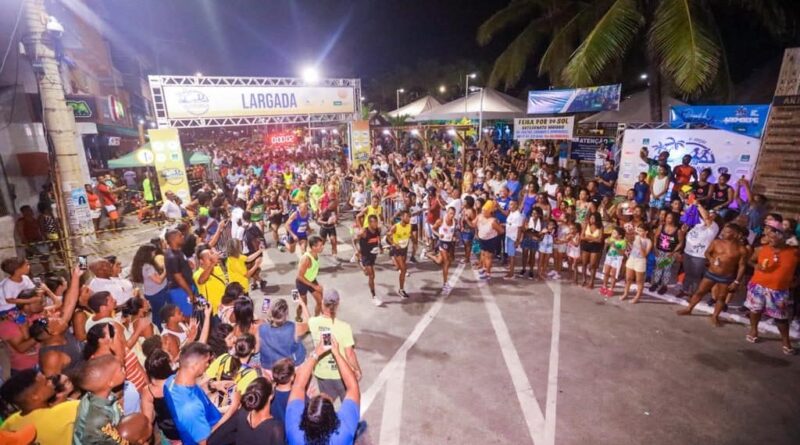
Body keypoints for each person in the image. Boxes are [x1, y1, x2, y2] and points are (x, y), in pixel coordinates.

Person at [285, 330, 360, 445]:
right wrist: (337, 354)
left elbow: (298, 385)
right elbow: (353, 386)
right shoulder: (343, 432)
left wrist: (316, 353)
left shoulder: (294, 432)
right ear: (332, 418)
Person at [744, 221, 799, 355]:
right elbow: (750, 260)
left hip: (779, 290)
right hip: (757, 286)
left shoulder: (794, 252)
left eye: (774, 238)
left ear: (783, 238)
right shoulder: (762, 249)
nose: (771, 241)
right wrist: (756, 266)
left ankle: (786, 342)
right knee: (755, 310)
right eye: (769, 238)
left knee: (781, 318)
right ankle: (753, 330)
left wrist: (797, 280)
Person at [677, 223, 747, 326]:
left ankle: (715, 316)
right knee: (700, 292)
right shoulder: (716, 242)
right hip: (711, 272)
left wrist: (737, 281)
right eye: (723, 231)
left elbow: (742, 266)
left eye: (727, 232)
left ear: (735, 234)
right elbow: (707, 253)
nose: (723, 233)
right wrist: (711, 259)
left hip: (726, 276)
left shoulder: (741, 249)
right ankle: (689, 309)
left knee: (721, 297)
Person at [163, 342, 225, 445]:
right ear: (195, 365)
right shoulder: (190, 408)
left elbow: (193, 394)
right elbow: (206, 441)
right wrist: (232, 409)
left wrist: (212, 385)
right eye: (206, 362)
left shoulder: (170, 381)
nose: (208, 365)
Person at [0, 369, 81, 445]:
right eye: (46, 382)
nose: (50, 382)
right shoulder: (69, 408)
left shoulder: (9, 424)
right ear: (35, 396)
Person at [308, 290, 360, 402]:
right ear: (337, 305)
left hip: (322, 374)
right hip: (342, 374)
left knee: (327, 404)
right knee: (347, 402)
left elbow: (307, 319)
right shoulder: (344, 327)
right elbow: (349, 354)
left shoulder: (313, 322)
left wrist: (301, 304)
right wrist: (357, 369)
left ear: (322, 303)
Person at [209, 377, 285, 445]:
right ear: (271, 396)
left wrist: (234, 406)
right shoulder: (275, 429)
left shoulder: (242, 413)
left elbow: (213, 440)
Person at [72, 355, 127, 445]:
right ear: (110, 382)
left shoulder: (97, 394)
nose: (124, 369)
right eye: (121, 369)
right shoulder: (99, 419)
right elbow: (114, 441)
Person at [677, 205, 719, 299]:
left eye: (713, 215)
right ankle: (685, 290)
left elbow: (707, 219)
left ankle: (693, 294)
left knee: (695, 276)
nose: (710, 215)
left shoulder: (714, 227)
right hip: (688, 252)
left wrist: (699, 205)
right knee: (687, 273)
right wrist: (684, 231)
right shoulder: (698, 223)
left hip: (699, 256)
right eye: (709, 213)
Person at [141, 349, 182, 445]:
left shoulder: (148, 391)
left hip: (170, 437)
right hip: (190, 431)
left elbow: (148, 419)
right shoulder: (180, 380)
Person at [258, 298, 309, 369]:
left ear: (271, 313)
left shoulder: (261, 328)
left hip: (270, 366)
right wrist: (302, 303)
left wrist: (265, 312)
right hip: (291, 365)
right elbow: (307, 322)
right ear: (286, 314)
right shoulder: (294, 328)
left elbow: (262, 319)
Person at [131, 244, 169, 327]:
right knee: (158, 313)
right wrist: (166, 270)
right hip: (157, 293)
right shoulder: (148, 267)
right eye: (153, 253)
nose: (154, 255)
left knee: (157, 312)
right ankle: (159, 329)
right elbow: (158, 280)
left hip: (153, 292)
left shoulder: (142, 265)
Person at [165, 229, 197, 317]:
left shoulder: (177, 250)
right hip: (181, 290)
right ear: (173, 239)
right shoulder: (172, 256)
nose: (183, 237)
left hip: (188, 286)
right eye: (180, 236)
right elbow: (178, 278)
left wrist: (187, 263)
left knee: (196, 310)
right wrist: (190, 293)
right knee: (188, 315)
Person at [651, 212, 684, 295]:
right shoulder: (661, 227)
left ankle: (664, 286)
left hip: (669, 253)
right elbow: (656, 236)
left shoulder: (678, 231)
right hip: (660, 251)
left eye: (670, 218)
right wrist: (655, 246)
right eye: (667, 217)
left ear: (674, 219)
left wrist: (673, 252)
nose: (668, 219)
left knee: (667, 269)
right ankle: (655, 283)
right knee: (659, 267)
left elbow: (680, 242)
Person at [427, 206, 457, 292]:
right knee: (446, 262)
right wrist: (438, 234)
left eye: (453, 214)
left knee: (439, 261)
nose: (452, 215)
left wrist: (454, 237)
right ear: (447, 212)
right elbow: (433, 229)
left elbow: (453, 231)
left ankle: (428, 254)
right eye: (450, 213)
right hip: (442, 243)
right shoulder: (441, 220)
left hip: (450, 243)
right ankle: (445, 284)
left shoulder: (455, 221)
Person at [620, 225, 652, 303]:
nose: (639, 232)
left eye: (641, 230)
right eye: (638, 230)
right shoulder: (635, 237)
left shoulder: (648, 241)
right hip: (631, 258)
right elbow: (627, 238)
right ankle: (626, 293)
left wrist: (640, 244)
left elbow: (644, 255)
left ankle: (637, 297)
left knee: (639, 280)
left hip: (640, 261)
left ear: (646, 232)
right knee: (628, 278)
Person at [357, 215, 384, 306]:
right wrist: (357, 251)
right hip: (365, 256)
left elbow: (378, 238)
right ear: (369, 223)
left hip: (373, 254)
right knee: (371, 276)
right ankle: (374, 297)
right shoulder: (364, 232)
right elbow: (353, 240)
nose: (375, 224)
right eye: (373, 222)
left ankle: (360, 264)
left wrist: (380, 247)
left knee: (367, 274)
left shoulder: (377, 230)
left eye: (376, 222)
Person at [296, 235, 325, 317]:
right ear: (313, 247)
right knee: (303, 305)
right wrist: (315, 287)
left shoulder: (315, 254)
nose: (322, 247)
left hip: (311, 280)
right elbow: (299, 277)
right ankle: (298, 317)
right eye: (320, 246)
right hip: (302, 282)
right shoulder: (306, 259)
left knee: (320, 301)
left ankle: (315, 320)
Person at [386, 210, 412, 298]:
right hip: (397, 250)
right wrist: (394, 244)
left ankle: (392, 257)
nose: (409, 218)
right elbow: (388, 236)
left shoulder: (409, 226)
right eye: (407, 217)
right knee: (403, 269)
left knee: (401, 269)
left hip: (404, 250)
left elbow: (408, 235)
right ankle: (401, 290)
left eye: (409, 217)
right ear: (402, 217)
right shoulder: (395, 227)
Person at [193, 248, 228, 314]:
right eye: (209, 258)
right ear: (201, 261)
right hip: (213, 312)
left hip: (225, 306)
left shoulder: (217, 268)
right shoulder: (197, 274)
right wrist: (212, 263)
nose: (212, 259)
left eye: (212, 256)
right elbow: (201, 280)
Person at [476, 201, 504, 281]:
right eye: (482, 210)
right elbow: (473, 224)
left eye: (484, 211)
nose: (483, 212)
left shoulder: (493, 221)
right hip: (483, 239)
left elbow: (501, 231)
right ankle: (485, 269)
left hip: (490, 240)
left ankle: (488, 273)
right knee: (484, 254)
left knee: (488, 257)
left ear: (490, 212)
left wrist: (494, 234)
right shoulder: (481, 216)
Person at [578, 213, 603, 289]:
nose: (591, 220)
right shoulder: (586, 225)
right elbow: (581, 237)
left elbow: (600, 240)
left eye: (593, 218)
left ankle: (591, 282)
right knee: (584, 263)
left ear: (597, 219)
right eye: (591, 218)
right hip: (586, 246)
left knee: (593, 265)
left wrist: (589, 238)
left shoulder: (600, 227)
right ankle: (584, 279)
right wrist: (593, 239)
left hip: (595, 247)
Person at [504, 200, 524, 279]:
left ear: (516, 205)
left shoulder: (518, 215)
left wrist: (517, 240)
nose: (510, 206)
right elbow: (510, 224)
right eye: (509, 204)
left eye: (512, 204)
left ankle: (511, 273)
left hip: (513, 238)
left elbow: (519, 229)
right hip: (508, 236)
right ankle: (510, 270)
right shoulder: (511, 213)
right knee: (509, 255)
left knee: (512, 256)